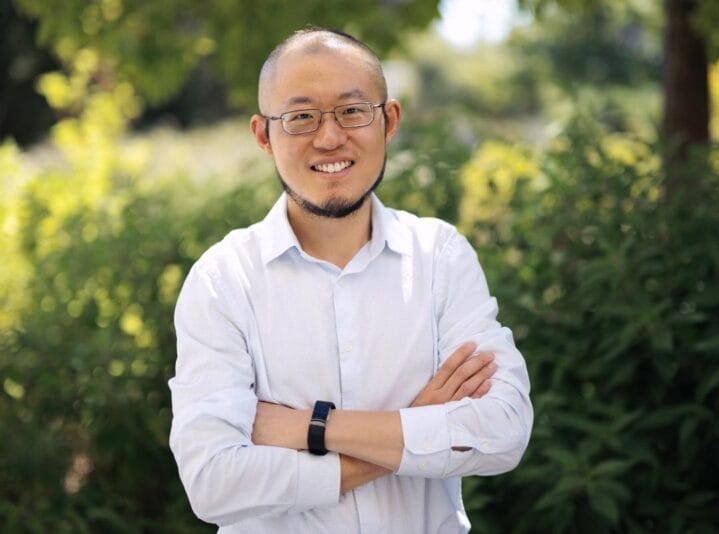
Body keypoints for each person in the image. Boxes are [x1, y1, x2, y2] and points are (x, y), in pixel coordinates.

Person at [168, 27, 533, 533]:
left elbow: (503, 431)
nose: (330, 137)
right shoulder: (222, 280)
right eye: (300, 117)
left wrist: (311, 428)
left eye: (353, 110)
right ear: (262, 136)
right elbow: (213, 483)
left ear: (390, 121)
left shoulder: (441, 256)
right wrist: (415, 428)